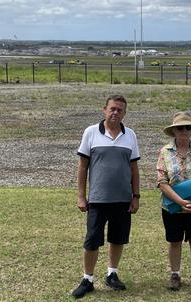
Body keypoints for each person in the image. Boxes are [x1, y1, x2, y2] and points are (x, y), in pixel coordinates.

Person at [71, 94, 141, 299]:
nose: (115, 112)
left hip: (123, 199)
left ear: (124, 113)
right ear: (104, 110)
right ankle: (88, 279)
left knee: (117, 239)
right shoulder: (91, 132)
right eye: (112, 109)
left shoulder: (130, 135)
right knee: (92, 240)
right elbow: (82, 166)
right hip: (98, 200)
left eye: (120, 110)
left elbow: (134, 168)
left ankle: (112, 274)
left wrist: (136, 196)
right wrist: (81, 196)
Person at [156, 111, 191, 291]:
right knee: (174, 241)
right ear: (174, 131)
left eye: (188, 127)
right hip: (172, 206)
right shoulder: (164, 152)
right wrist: (180, 201)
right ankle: (175, 274)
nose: (184, 130)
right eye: (180, 127)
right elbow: (162, 182)